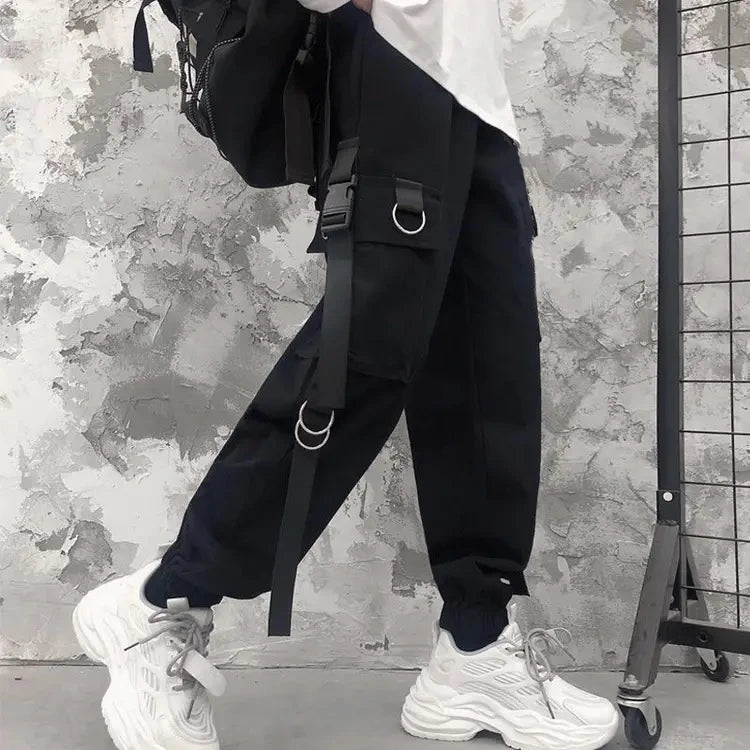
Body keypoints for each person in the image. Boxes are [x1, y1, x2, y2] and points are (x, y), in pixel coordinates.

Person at [72, 2, 620, 749]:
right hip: (395, 51)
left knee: (489, 355)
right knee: (366, 352)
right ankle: (167, 600)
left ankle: (476, 641)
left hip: (472, 80)